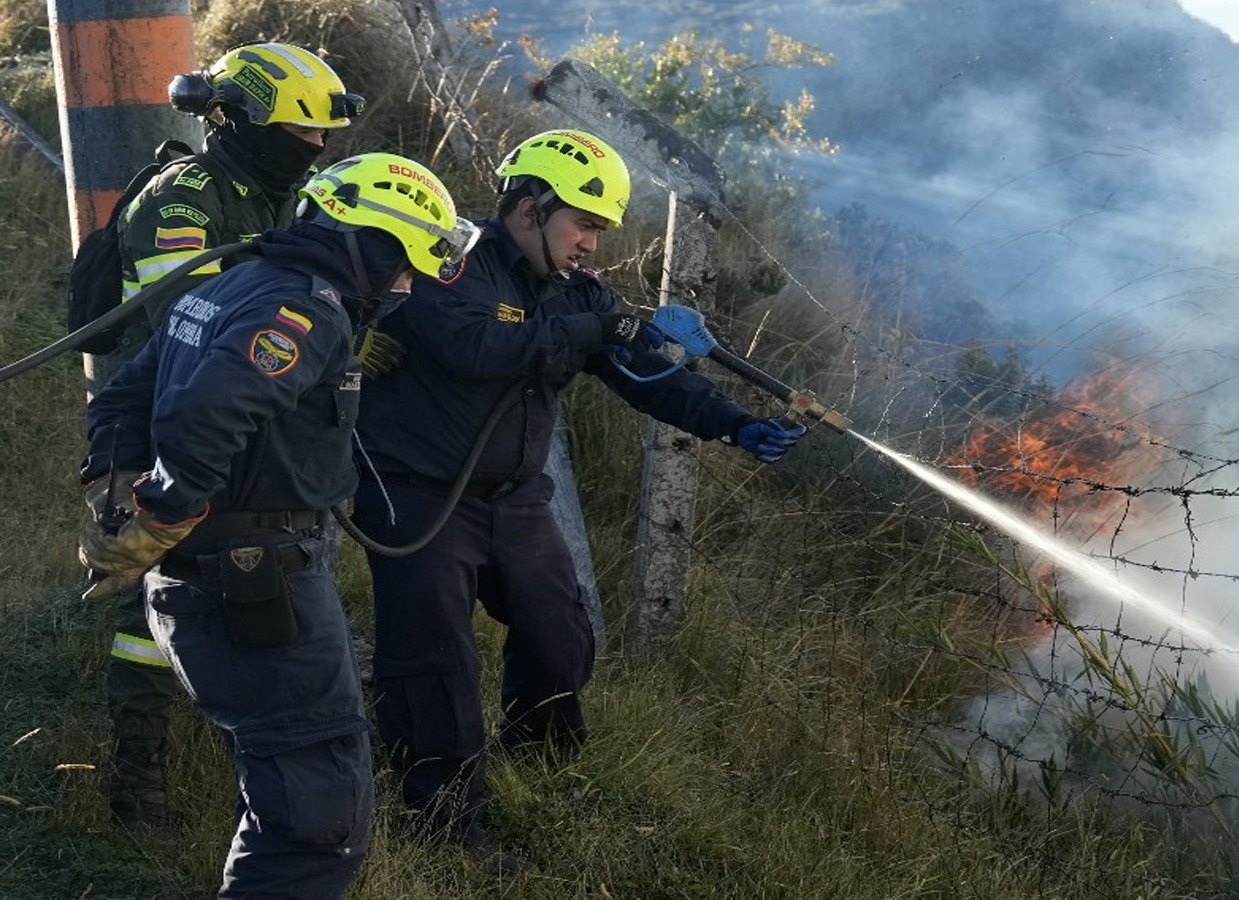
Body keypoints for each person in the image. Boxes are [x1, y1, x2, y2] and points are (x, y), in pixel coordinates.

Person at [350, 129, 808, 850]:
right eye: (584, 224)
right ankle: (442, 819)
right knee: (436, 662)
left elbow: (642, 374)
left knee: (560, 637)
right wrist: (595, 326)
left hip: (515, 497)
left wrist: (735, 425)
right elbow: (475, 349)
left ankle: (536, 764)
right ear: (530, 208)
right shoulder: (447, 264)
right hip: (420, 493)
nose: (592, 244)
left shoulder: (576, 293)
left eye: (600, 230)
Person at [78, 152, 479, 897]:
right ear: (376, 244)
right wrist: (167, 505)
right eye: (407, 264)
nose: (408, 285)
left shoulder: (233, 284)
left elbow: (124, 395)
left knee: (283, 781)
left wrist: (112, 489)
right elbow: (208, 411)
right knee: (314, 807)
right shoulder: (307, 309)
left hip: (214, 576)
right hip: (256, 575)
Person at [95, 41, 364, 831]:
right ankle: (136, 774)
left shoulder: (289, 195)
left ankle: (250, 745)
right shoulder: (183, 201)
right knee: (143, 601)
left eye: (323, 137)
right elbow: (187, 328)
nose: (317, 148)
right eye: (302, 133)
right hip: (158, 420)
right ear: (240, 119)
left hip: (249, 424)